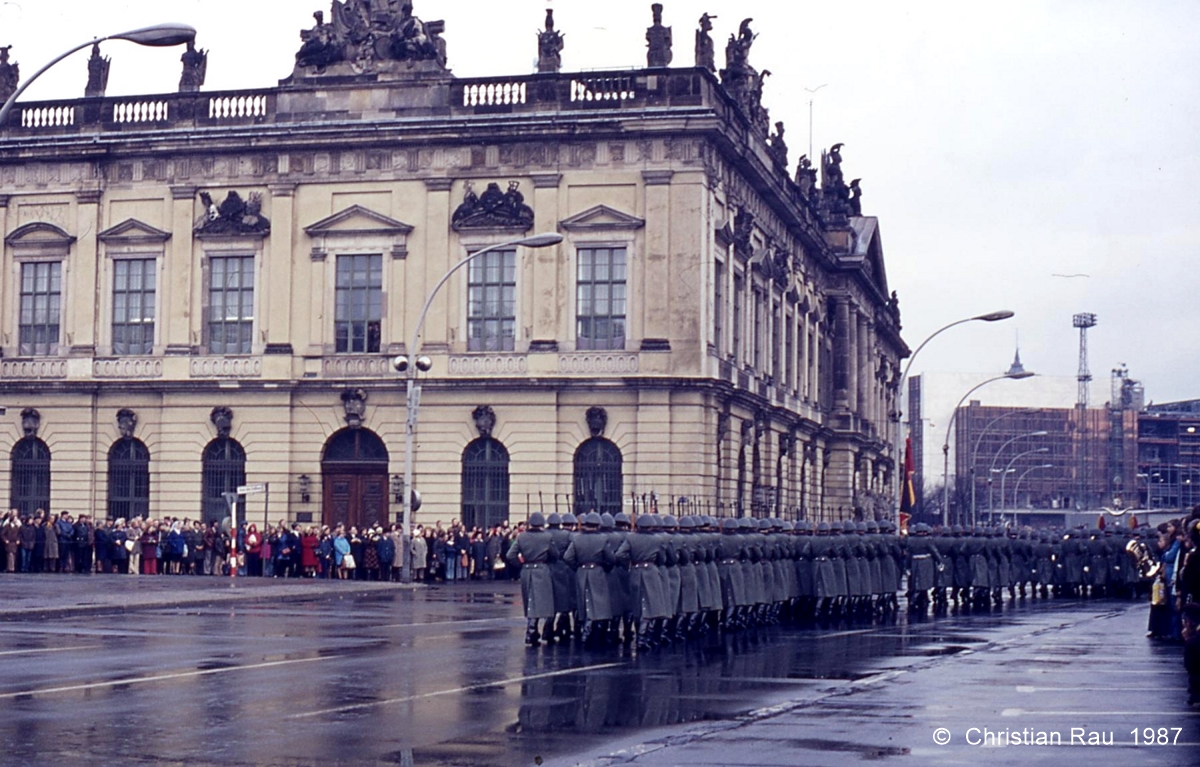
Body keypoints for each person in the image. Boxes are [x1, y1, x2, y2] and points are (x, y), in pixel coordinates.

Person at [506, 512, 558, 645]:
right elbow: (554, 555)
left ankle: (531, 630)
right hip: (542, 569)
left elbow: (510, 555)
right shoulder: (547, 536)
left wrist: (521, 565)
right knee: (544, 602)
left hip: (527, 570)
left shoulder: (522, 537)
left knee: (530, 601)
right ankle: (533, 630)